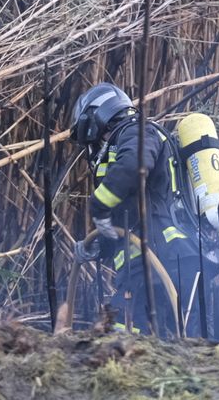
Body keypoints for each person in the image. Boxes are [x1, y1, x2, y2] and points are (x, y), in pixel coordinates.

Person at [70, 82, 203, 337]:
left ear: (97, 115)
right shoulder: (123, 139)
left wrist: (98, 205)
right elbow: (128, 215)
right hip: (147, 263)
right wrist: (100, 246)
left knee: (124, 331)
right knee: (158, 337)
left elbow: (134, 165)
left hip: (162, 256)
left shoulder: (136, 132)